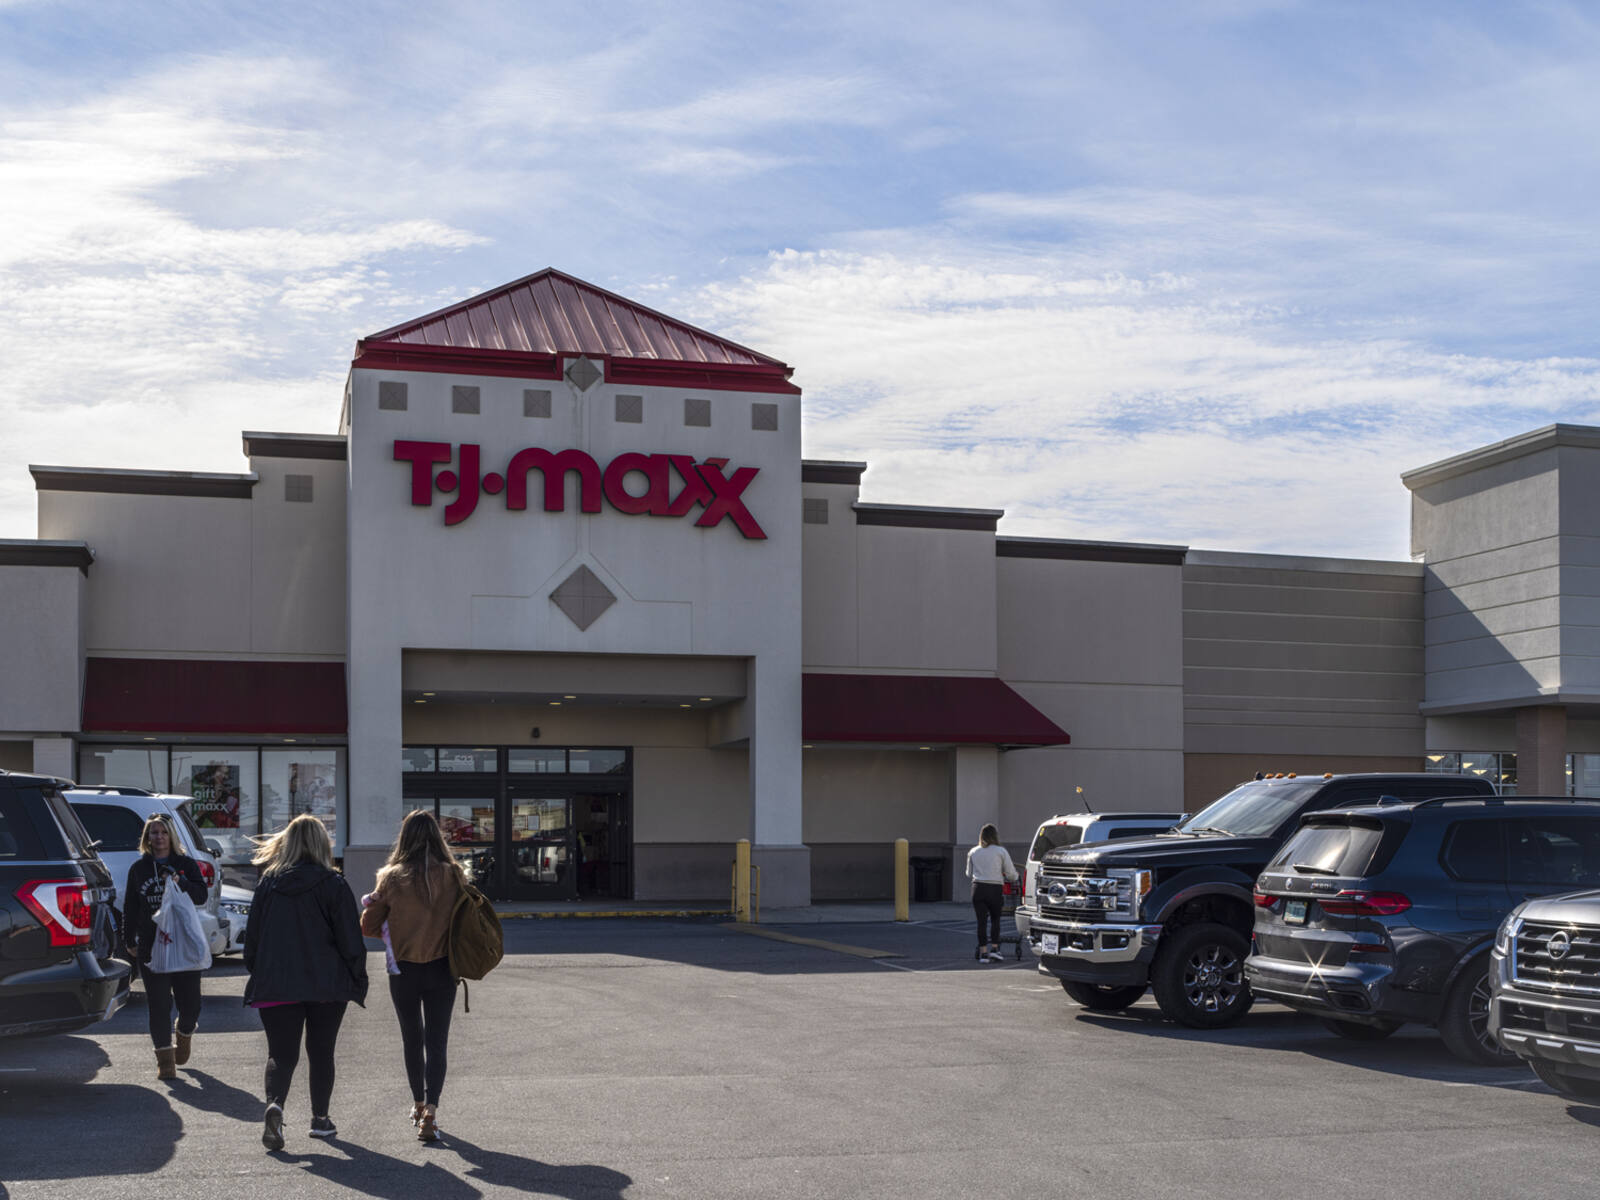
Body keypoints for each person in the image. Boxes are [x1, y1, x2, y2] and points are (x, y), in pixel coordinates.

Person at [243, 814, 368, 1151]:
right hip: (327, 985)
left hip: (276, 983)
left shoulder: (268, 884)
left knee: (281, 1054)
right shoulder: (334, 885)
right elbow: (350, 941)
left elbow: (252, 939)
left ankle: (276, 1104)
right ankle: (320, 1119)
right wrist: (357, 977)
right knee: (321, 1051)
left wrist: (258, 970)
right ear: (320, 844)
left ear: (288, 842)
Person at [360, 809, 464, 1144]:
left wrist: (390, 920)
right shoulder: (454, 875)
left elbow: (369, 926)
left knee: (412, 1038)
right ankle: (432, 1112)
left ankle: (418, 1105)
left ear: (404, 838)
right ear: (438, 837)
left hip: (403, 969)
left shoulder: (392, 877)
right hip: (443, 967)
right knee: (437, 1042)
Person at [122, 814, 209, 1079]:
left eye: (162, 832)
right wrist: (129, 940)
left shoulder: (185, 864)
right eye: (153, 833)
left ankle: (184, 1032)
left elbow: (201, 895)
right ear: (147, 838)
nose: (158, 837)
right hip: (151, 943)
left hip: (182, 942)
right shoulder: (139, 869)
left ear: (171, 835)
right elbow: (130, 906)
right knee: (158, 1004)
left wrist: (180, 880)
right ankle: (165, 1061)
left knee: (190, 1003)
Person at [965, 823, 1018, 963]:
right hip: (994, 889)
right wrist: (1013, 877)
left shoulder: (973, 851)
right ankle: (995, 949)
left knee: (981, 922)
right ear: (995, 835)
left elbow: (968, 873)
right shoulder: (1001, 851)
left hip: (978, 888)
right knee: (996, 920)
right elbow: (1011, 874)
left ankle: (983, 953)